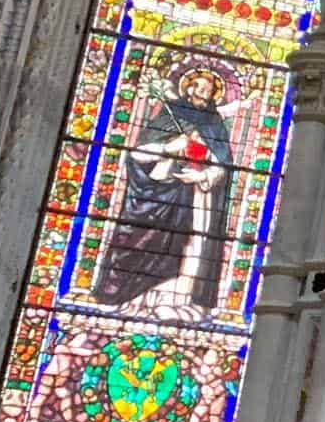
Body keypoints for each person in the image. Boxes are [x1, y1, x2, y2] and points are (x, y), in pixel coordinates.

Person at [93, 57, 238, 320]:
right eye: (197, 87)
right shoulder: (167, 116)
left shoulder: (214, 125)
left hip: (194, 198)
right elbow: (138, 155)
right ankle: (131, 299)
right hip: (154, 195)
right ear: (187, 88)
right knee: (143, 242)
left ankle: (175, 302)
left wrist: (202, 175)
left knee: (187, 248)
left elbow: (222, 165)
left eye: (207, 90)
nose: (200, 94)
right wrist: (167, 148)